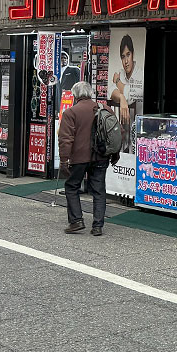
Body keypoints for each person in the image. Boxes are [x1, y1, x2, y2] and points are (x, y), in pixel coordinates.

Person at [57, 81, 108, 236]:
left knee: (71, 187)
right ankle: (98, 226)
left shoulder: (71, 112)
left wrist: (64, 160)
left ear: (75, 95)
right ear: (90, 93)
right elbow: (116, 132)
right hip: (101, 156)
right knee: (99, 191)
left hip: (79, 158)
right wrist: (115, 154)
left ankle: (76, 221)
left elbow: (65, 139)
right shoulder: (104, 109)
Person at [109, 33, 143, 152]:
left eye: (128, 55)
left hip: (139, 132)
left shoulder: (141, 74)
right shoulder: (120, 72)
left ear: (133, 54)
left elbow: (133, 94)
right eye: (123, 57)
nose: (126, 61)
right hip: (122, 136)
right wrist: (122, 98)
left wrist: (118, 82)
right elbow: (111, 91)